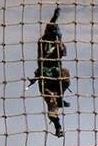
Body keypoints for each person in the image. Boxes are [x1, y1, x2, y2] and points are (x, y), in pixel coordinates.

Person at [28, 8, 70, 136]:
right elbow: (45, 57)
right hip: (45, 79)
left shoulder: (57, 43)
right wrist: (54, 17)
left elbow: (63, 52)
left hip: (57, 79)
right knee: (52, 103)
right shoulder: (43, 42)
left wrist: (59, 40)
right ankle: (58, 127)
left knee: (65, 76)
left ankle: (61, 99)